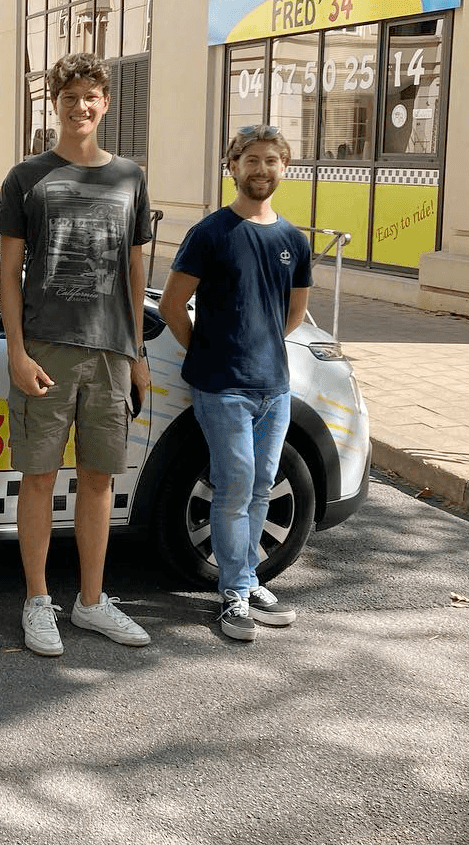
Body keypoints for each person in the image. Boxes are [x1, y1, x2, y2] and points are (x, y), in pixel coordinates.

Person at [0, 52, 153, 657]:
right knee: (38, 478)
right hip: (46, 350)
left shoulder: (130, 177)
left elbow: (135, 270)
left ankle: (90, 600)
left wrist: (136, 352)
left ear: (104, 103)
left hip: (110, 353)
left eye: (90, 96)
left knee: (98, 478)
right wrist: (16, 350)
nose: (79, 106)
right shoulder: (26, 177)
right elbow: (8, 275)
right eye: (68, 97)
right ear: (54, 104)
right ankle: (37, 601)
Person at [159, 122, 311, 642]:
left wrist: (259, 347)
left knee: (262, 486)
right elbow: (172, 305)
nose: (261, 169)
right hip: (221, 387)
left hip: (275, 387)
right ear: (233, 167)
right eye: (251, 160)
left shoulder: (293, 240)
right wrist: (208, 350)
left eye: (271, 160)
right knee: (235, 486)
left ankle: (247, 580)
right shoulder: (211, 233)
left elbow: (293, 314)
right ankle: (233, 595)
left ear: (283, 168)